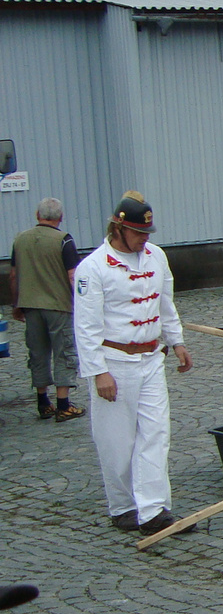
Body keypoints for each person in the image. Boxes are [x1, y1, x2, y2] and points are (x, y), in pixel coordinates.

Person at [72, 192, 193, 534]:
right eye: (139, 233)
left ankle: (154, 511)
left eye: (147, 233)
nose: (145, 239)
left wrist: (177, 341)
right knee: (116, 440)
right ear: (118, 229)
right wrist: (98, 372)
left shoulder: (156, 257)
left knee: (156, 433)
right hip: (114, 361)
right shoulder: (92, 269)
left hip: (151, 358)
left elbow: (166, 303)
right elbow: (85, 325)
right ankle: (123, 506)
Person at [10, 196, 84, 421]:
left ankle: (43, 402)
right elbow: (74, 276)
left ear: (37, 215)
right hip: (58, 306)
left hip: (30, 305)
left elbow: (13, 274)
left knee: (38, 352)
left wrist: (16, 303)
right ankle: (64, 404)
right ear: (60, 217)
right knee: (63, 352)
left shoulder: (20, 240)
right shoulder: (64, 240)